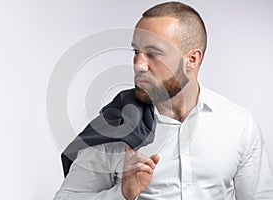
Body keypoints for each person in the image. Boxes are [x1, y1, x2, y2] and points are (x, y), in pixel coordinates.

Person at [54, 2, 273, 200]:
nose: (139, 64)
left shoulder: (239, 124)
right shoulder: (117, 126)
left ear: (192, 60)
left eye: (153, 53)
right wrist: (120, 194)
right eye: (136, 51)